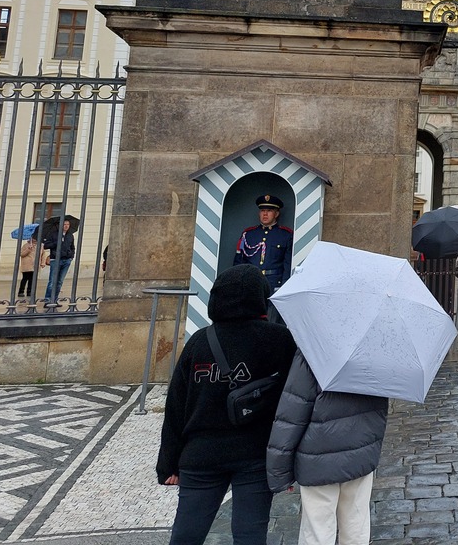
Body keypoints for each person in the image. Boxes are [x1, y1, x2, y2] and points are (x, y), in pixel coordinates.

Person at [158, 264, 296, 545]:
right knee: (250, 535)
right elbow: (292, 404)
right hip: (256, 453)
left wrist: (168, 464)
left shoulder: (198, 341)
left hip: (201, 455)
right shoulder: (278, 339)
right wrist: (289, 463)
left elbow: (176, 406)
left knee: (185, 536)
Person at [266, 348, 389, 545]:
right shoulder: (376, 352)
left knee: (318, 531)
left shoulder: (313, 349)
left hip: (317, 460)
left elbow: (292, 413)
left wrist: (279, 473)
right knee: (356, 526)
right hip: (361, 455)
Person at [233, 195, 294, 294]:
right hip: (250, 282)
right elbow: (239, 261)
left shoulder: (286, 235)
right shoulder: (248, 234)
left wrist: (284, 286)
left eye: (269, 211)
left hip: (274, 283)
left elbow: (288, 265)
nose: (265, 214)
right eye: (262, 210)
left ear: (276, 213)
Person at [41, 214, 79, 307]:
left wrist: (71, 256)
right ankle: (48, 300)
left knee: (60, 281)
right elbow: (46, 245)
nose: (66, 226)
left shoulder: (70, 235)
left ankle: (54, 300)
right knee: (52, 281)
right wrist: (56, 242)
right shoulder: (53, 234)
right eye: (64, 224)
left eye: (68, 224)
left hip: (66, 260)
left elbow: (72, 247)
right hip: (55, 259)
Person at [19, 233, 49, 300]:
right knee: (25, 278)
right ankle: (21, 291)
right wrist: (28, 249)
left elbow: (43, 254)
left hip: (35, 265)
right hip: (27, 265)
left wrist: (43, 262)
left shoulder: (41, 245)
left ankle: (29, 291)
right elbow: (21, 254)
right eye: (33, 237)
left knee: (32, 279)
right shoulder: (26, 245)